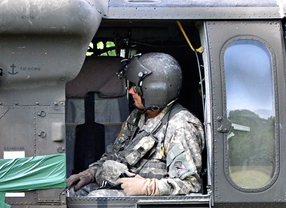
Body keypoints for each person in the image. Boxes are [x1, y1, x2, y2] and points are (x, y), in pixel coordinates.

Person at [66, 52, 203, 197]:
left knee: (95, 199)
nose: (130, 91)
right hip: (123, 189)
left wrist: (149, 187)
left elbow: (191, 184)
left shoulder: (181, 126)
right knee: (71, 193)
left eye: (136, 88)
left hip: (149, 203)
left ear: (155, 90)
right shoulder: (137, 117)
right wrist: (91, 173)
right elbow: (115, 155)